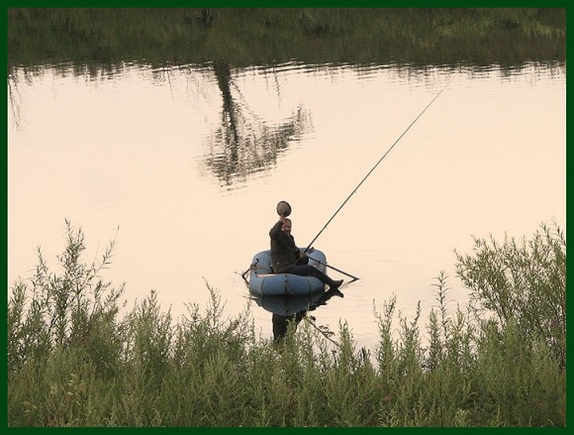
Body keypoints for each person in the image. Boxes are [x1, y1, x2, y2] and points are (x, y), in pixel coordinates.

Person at [269, 215, 343, 289]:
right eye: (284, 227)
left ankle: (300, 278)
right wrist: (279, 222)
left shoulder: (290, 237)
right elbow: (272, 234)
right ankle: (331, 283)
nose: (287, 229)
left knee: (305, 259)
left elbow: (292, 251)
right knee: (310, 269)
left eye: (289, 227)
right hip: (282, 267)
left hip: (290, 265)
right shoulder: (277, 237)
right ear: (280, 227)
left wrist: (300, 255)